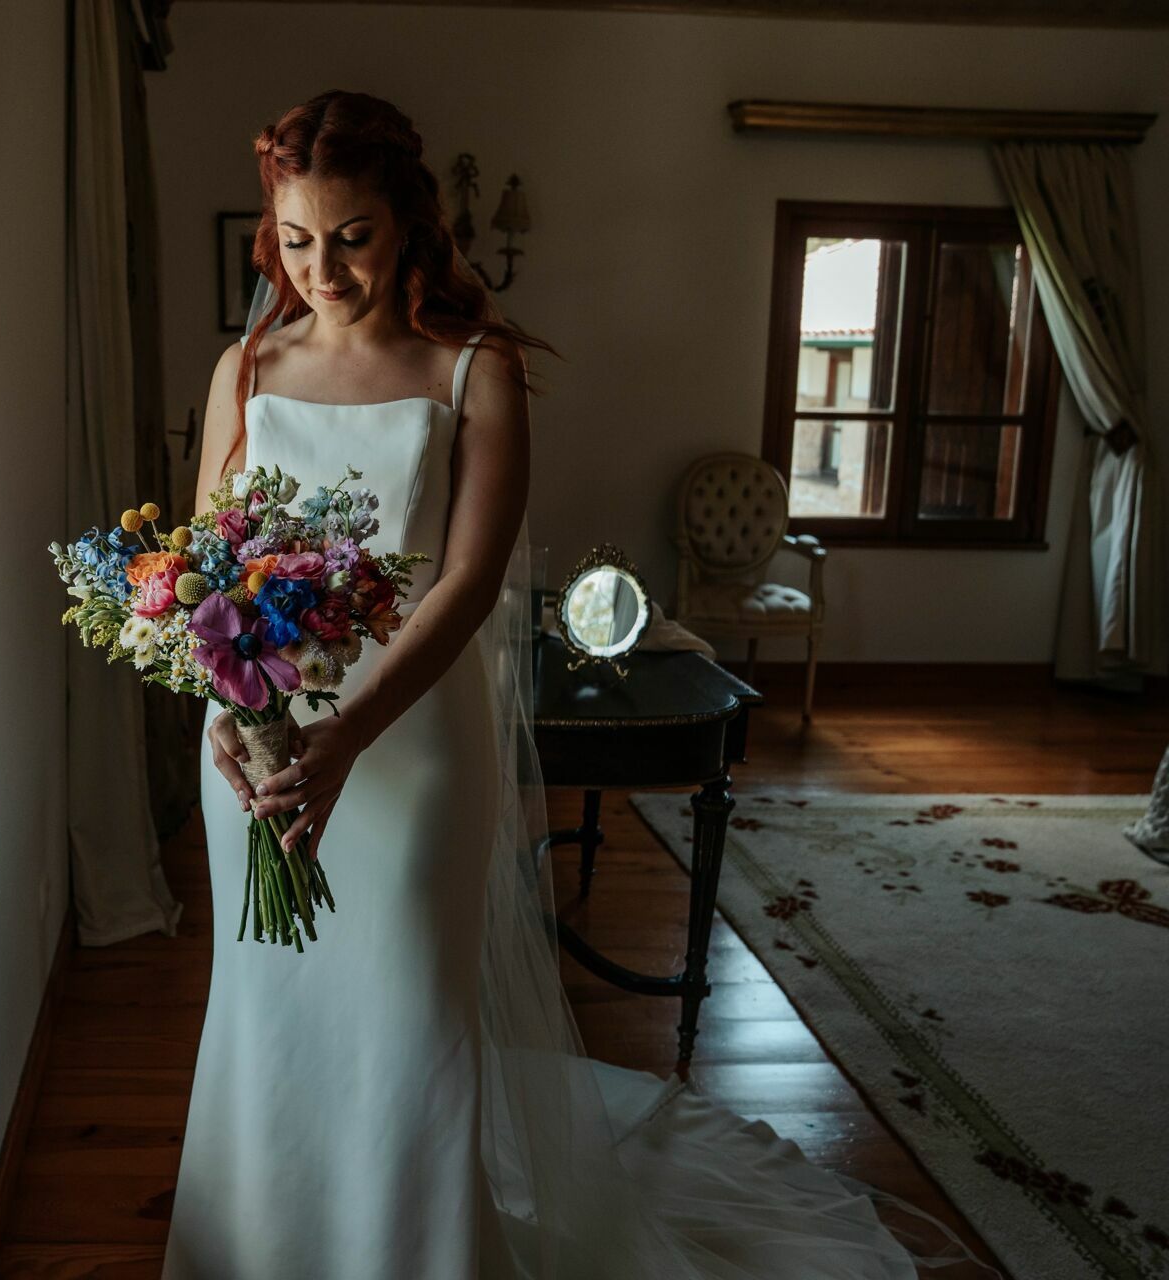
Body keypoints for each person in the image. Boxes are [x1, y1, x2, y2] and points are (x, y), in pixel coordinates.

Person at [162, 90, 980, 1280]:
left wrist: (345, 738)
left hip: (409, 742)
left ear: (408, 224)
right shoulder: (245, 368)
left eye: (351, 235)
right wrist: (237, 721)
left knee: (404, 1022)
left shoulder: (473, 368)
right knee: (267, 1010)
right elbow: (205, 573)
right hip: (257, 741)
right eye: (295, 239)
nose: (322, 268)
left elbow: (466, 582)